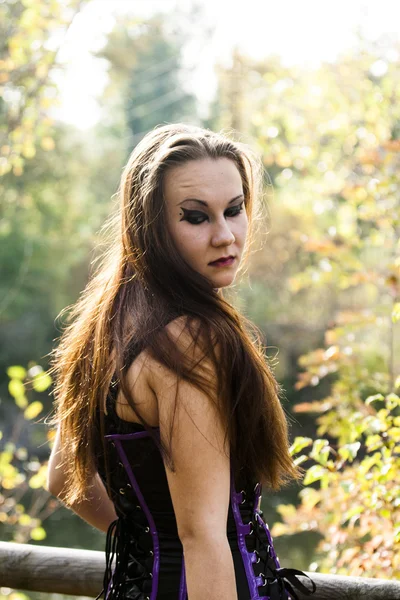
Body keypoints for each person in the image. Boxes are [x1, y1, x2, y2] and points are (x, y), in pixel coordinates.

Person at [46, 123, 316, 600]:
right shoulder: (190, 340)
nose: (225, 235)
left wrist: (153, 544)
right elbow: (204, 539)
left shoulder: (104, 325)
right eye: (196, 217)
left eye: (235, 210)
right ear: (150, 226)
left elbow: (64, 479)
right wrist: (172, 546)